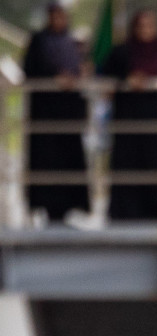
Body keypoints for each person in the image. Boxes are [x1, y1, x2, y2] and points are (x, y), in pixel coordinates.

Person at [100, 9, 157, 221]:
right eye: (141, 26)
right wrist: (128, 81)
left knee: (153, 167)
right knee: (126, 168)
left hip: (154, 123)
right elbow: (105, 78)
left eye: (149, 26)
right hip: (127, 122)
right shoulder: (122, 52)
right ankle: (124, 213)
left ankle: (154, 212)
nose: (145, 31)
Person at [22, 3, 90, 224]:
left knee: (69, 162)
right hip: (46, 115)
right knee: (46, 164)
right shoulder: (39, 40)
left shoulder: (71, 42)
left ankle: (68, 209)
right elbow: (30, 70)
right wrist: (53, 79)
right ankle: (47, 209)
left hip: (68, 114)